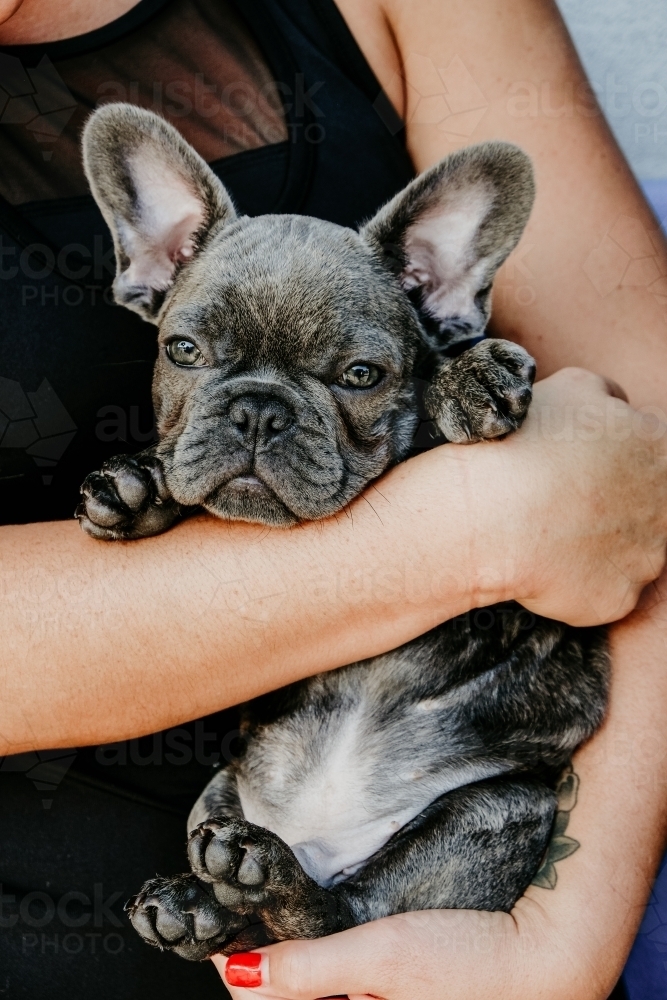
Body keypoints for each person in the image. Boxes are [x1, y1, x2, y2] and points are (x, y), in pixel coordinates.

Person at [1, 1, 667, 998]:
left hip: (469, 907)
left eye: (350, 373)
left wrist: (560, 938)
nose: (260, 423)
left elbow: (648, 449)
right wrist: (477, 531)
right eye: (192, 352)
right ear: (151, 261)